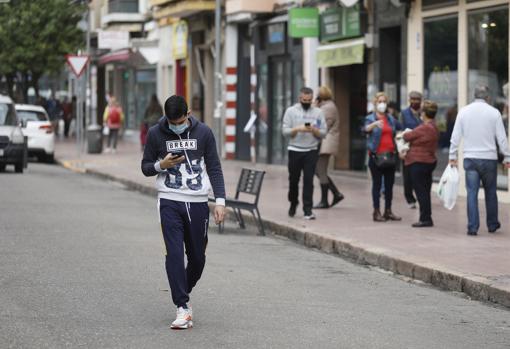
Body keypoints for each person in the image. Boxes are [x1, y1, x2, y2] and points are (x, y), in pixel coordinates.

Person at [141, 95, 225, 329]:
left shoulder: (204, 133)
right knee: (174, 253)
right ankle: (182, 307)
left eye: (179, 121)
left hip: (198, 202)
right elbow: (146, 167)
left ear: (188, 115)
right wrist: (161, 165)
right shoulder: (156, 133)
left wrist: (220, 201)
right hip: (169, 199)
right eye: (171, 121)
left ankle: (182, 289)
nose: (175, 125)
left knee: (197, 258)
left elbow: (215, 168)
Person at [449, 85, 510, 236]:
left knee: (471, 193)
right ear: (487, 97)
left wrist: (452, 156)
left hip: (470, 159)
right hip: (489, 159)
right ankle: (492, 224)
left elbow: (455, 136)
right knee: (490, 192)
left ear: (473, 95)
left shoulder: (464, 111)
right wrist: (507, 156)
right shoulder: (494, 113)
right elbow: (501, 138)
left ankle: (472, 227)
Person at [282, 87, 327, 220]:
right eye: (304, 100)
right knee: (293, 180)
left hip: (311, 150)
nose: (306, 102)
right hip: (295, 150)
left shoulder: (318, 113)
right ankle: (293, 202)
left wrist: (314, 130)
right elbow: (285, 131)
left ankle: (308, 209)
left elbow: (323, 132)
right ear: (299, 99)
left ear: (312, 99)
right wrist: (298, 129)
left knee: (309, 180)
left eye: (309, 100)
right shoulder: (291, 111)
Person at [364, 92, 402, 222]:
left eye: (384, 101)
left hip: (390, 155)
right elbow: (364, 129)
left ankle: (388, 211)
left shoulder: (390, 118)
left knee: (389, 186)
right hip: (376, 157)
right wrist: (374, 124)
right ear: (375, 104)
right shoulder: (371, 118)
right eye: (380, 101)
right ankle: (376, 211)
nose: (382, 104)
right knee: (377, 184)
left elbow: (400, 128)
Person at [403, 100, 439, 227]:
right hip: (428, 161)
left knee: (421, 192)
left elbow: (407, 136)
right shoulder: (434, 126)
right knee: (425, 191)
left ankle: (425, 219)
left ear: (424, 113)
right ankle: (426, 217)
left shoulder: (425, 127)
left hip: (418, 162)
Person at [313, 86, 344, 209]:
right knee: (319, 170)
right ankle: (336, 193)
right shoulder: (326, 107)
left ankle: (325, 200)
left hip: (326, 143)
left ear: (321, 96)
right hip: (324, 142)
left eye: (317, 96)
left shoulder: (328, 108)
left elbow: (320, 126)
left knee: (320, 171)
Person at [400, 91, 423, 209]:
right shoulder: (404, 113)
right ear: (409, 100)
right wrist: (401, 149)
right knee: (408, 176)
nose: (415, 101)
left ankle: (421, 197)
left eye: (417, 99)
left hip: (421, 148)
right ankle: (410, 198)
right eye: (412, 99)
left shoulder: (423, 114)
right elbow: (400, 132)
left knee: (420, 175)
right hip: (408, 148)